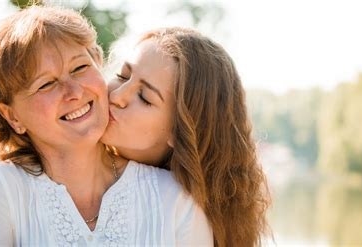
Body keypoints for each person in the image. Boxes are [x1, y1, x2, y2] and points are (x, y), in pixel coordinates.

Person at [0, 6, 212, 246]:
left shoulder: (174, 198)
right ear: (12, 117)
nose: (73, 91)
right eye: (45, 84)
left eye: (79, 68)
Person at [101, 27, 271, 246]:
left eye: (144, 97)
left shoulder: (183, 213)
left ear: (179, 131)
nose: (116, 95)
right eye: (122, 76)